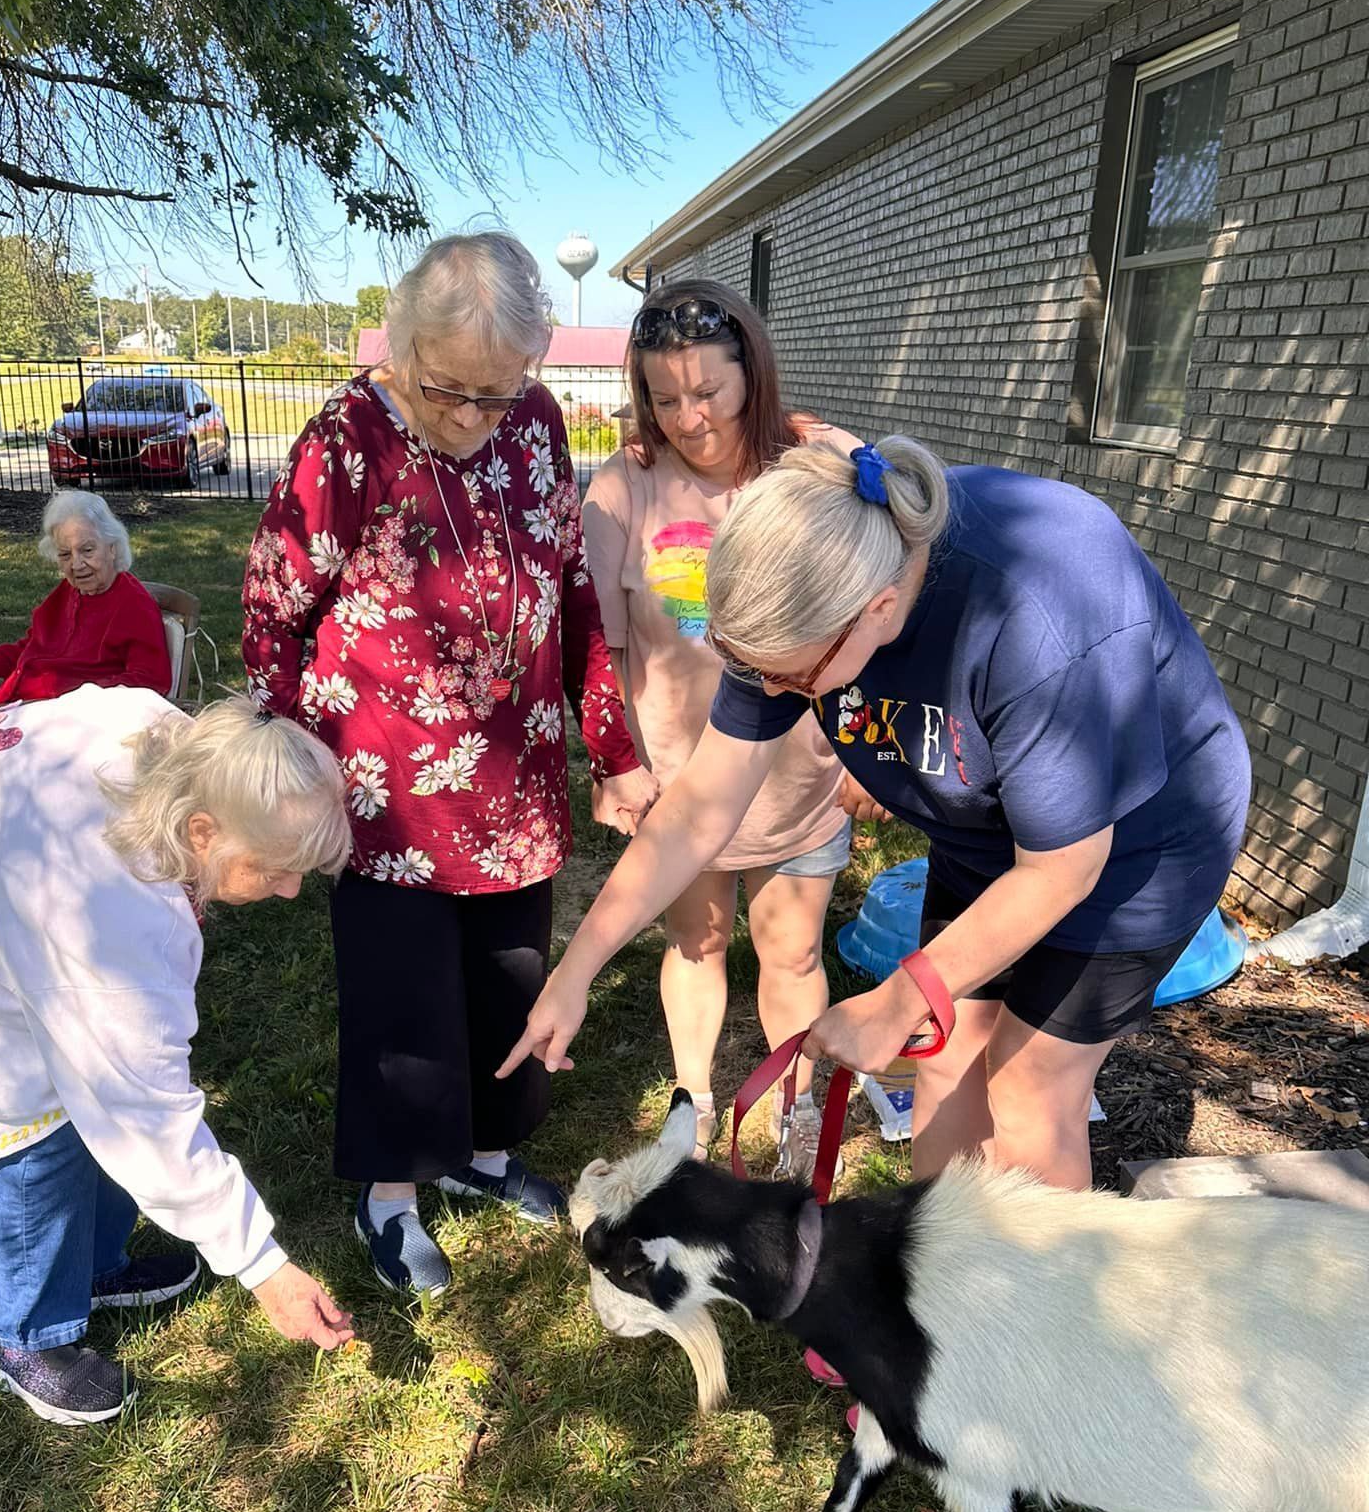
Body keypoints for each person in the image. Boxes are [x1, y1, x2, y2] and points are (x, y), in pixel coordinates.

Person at [503, 437, 1251, 1193]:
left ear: (880, 609)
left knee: (1030, 1093)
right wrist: (577, 969)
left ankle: (1039, 1306)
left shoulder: (1037, 609)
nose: (772, 692)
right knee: (947, 1056)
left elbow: (1065, 868)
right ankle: (935, 1292)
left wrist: (899, 997)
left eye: (792, 678)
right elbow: (698, 808)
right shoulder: (805, 607)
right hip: (989, 837)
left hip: (1135, 846)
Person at [242, 231, 657, 1297]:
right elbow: (274, 610)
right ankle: (390, 1191)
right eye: (448, 389)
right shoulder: (348, 437)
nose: (472, 415)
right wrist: (286, 761)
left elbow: (570, 584)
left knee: (508, 977)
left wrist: (611, 746)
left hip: (514, 780)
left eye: (495, 390)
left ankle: (479, 1149)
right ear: (402, 346)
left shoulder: (539, 422)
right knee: (403, 999)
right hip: (381, 786)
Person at [0, 688, 355, 1425]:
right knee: (38, 1125)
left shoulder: (175, 737)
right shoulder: (113, 923)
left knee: (87, 1093)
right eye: (273, 868)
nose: (291, 889)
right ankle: (23, 1337)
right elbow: (143, 1112)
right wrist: (265, 1269)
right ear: (202, 830)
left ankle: (95, 1265)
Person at [584, 282, 852, 1171]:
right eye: (665, 398)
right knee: (693, 941)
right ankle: (694, 1103)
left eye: (709, 394)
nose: (689, 419)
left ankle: (799, 1103)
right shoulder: (626, 484)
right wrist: (616, 762)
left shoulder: (821, 465)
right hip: (681, 776)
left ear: (755, 374)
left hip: (799, 772)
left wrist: (869, 752)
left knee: (793, 946)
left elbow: (883, 611)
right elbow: (604, 646)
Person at [0, 489, 171, 706]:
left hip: (63, 731)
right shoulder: (67, 594)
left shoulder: (133, 605)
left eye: (87, 550)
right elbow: (25, 653)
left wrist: (65, 699)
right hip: (13, 712)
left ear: (112, 548)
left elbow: (149, 681)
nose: (76, 565)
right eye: (65, 554)